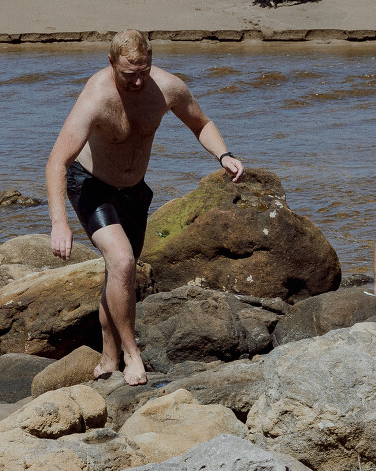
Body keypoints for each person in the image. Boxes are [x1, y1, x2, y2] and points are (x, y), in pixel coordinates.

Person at [45, 29, 245, 385]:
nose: (138, 82)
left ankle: (108, 358)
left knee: (121, 273)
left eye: (144, 72)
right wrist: (59, 223)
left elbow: (201, 123)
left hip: (134, 192)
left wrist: (224, 155)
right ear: (111, 62)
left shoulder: (167, 88)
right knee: (122, 261)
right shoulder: (96, 97)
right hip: (91, 186)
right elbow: (56, 162)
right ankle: (132, 355)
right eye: (129, 74)